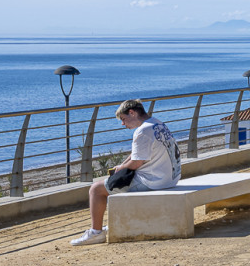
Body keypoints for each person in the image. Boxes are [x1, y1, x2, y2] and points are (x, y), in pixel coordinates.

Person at [71, 98, 182, 246]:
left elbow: (136, 163)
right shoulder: (156, 123)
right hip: (171, 178)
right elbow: (137, 154)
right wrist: (122, 166)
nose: (123, 124)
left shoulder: (142, 131)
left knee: (96, 189)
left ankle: (96, 233)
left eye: (123, 119)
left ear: (132, 113)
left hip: (154, 182)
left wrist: (122, 169)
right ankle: (113, 224)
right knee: (115, 180)